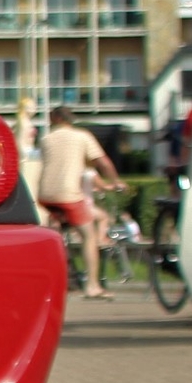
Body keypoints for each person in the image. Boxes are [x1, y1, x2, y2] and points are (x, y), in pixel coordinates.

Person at [39, 105, 124, 299]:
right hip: (68, 194)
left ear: (55, 119)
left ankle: (53, 281)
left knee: (56, 236)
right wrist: (116, 181)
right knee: (89, 235)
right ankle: (92, 286)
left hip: (45, 194)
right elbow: (102, 161)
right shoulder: (82, 136)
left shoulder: (46, 139)